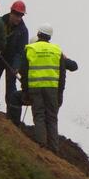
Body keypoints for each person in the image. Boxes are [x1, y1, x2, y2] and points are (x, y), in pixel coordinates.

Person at [19, 23, 74, 153]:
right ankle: (54, 149)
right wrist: (60, 93)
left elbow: (24, 72)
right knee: (52, 118)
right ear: (50, 37)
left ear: (38, 34)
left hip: (35, 87)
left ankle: (41, 146)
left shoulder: (30, 49)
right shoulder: (57, 51)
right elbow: (62, 74)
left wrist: (25, 91)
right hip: (52, 89)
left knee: (39, 116)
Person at [0, 0, 29, 125]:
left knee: (11, 88)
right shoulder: (0, 22)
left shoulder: (23, 31)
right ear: (11, 12)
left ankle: (11, 116)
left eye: (21, 15)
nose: (19, 18)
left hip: (12, 61)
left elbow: (21, 52)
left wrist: (15, 67)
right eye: (17, 15)